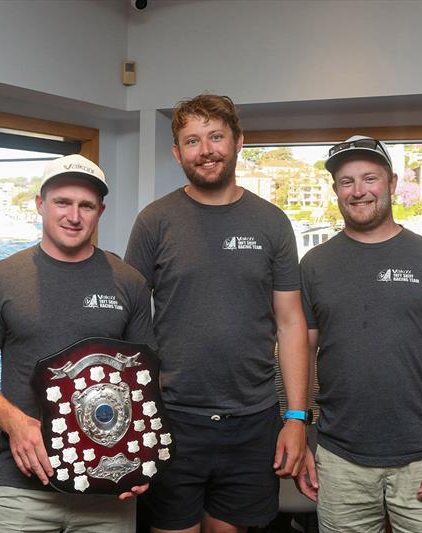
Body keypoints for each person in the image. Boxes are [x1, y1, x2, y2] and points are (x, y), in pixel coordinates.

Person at [124, 94, 310, 533]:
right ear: (177, 153)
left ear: (238, 141)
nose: (205, 150)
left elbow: (291, 322)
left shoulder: (271, 222)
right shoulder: (155, 221)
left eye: (215, 136)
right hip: (171, 419)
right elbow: (128, 321)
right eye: (192, 140)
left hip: (252, 422)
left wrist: (297, 419)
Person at [0, 154, 156, 533]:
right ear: (39, 204)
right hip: (21, 489)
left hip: (106, 492)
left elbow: (144, 384)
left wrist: (143, 458)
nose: (74, 216)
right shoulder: (0, 280)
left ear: (101, 211)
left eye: (86, 206)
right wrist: (14, 422)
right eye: (62, 202)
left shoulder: (129, 283)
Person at [296, 136, 422, 532]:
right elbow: (303, 356)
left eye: (369, 178)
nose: (358, 191)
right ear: (336, 190)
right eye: (346, 182)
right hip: (340, 460)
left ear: (391, 183)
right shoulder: (314, 264)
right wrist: (305, 440)